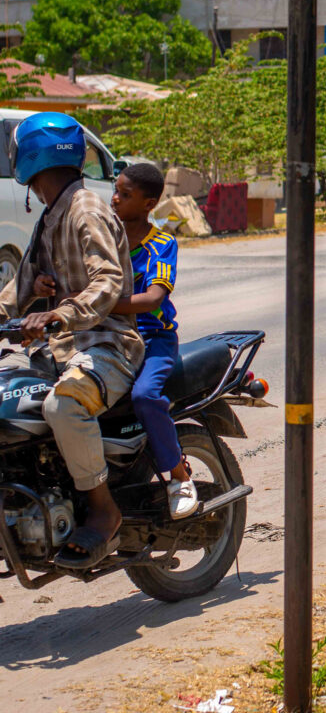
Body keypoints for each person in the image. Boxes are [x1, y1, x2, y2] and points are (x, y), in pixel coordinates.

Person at [0, 112, 144, 569]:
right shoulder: (50, 217)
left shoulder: (86, 209)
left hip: (107, 346)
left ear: (25, 160)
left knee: (62, 406)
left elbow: (108, 281)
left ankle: (103, 509)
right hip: (59, 351)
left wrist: (60, 313)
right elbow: (16, 292)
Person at [110, 163, 198, 519]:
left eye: (124, 194)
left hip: (152, 338)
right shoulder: (103, 237)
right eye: (115, 190)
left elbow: (152, 299)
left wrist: (98, 306)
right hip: (109, 335)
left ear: (149, 203)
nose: (114, 199)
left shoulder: (161, 243)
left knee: (145, 397)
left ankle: (178, 477)